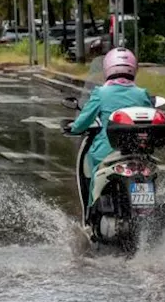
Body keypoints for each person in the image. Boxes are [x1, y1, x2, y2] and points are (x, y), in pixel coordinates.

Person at [62, 47, 154, 200]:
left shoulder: (101, 93)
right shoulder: (141, 93)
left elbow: (84, 120)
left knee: (93, 171)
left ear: (107, 68)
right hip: (139, 150)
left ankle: (92, 210)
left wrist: (73, 128)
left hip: (107, 150)